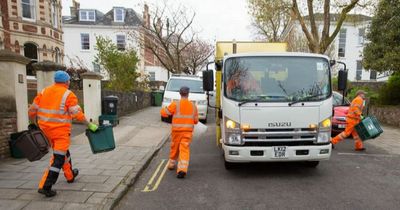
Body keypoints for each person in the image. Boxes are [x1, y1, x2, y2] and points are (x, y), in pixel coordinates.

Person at [28, 70, 98, 197]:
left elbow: (32, 110)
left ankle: (70, 175)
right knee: (58, 159)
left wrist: (33, 123)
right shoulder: (68, 95)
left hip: (45, 132)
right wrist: (90, 125)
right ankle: (45, 186)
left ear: (55, 81)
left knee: (64, 153)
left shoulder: (44, 91)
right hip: (60, 133)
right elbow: (77, 115)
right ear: (67, 81)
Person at [160, 86, 198, 179]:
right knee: (184, 149)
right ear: (188, 94)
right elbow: (196, 121)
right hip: (187, 133)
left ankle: (171, 164)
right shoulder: (193, 106)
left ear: (180, 93)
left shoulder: (175, 104)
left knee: (174, 147)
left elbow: (164, 113)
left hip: (176, 132)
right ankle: (182, 170)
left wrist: (164, 108)